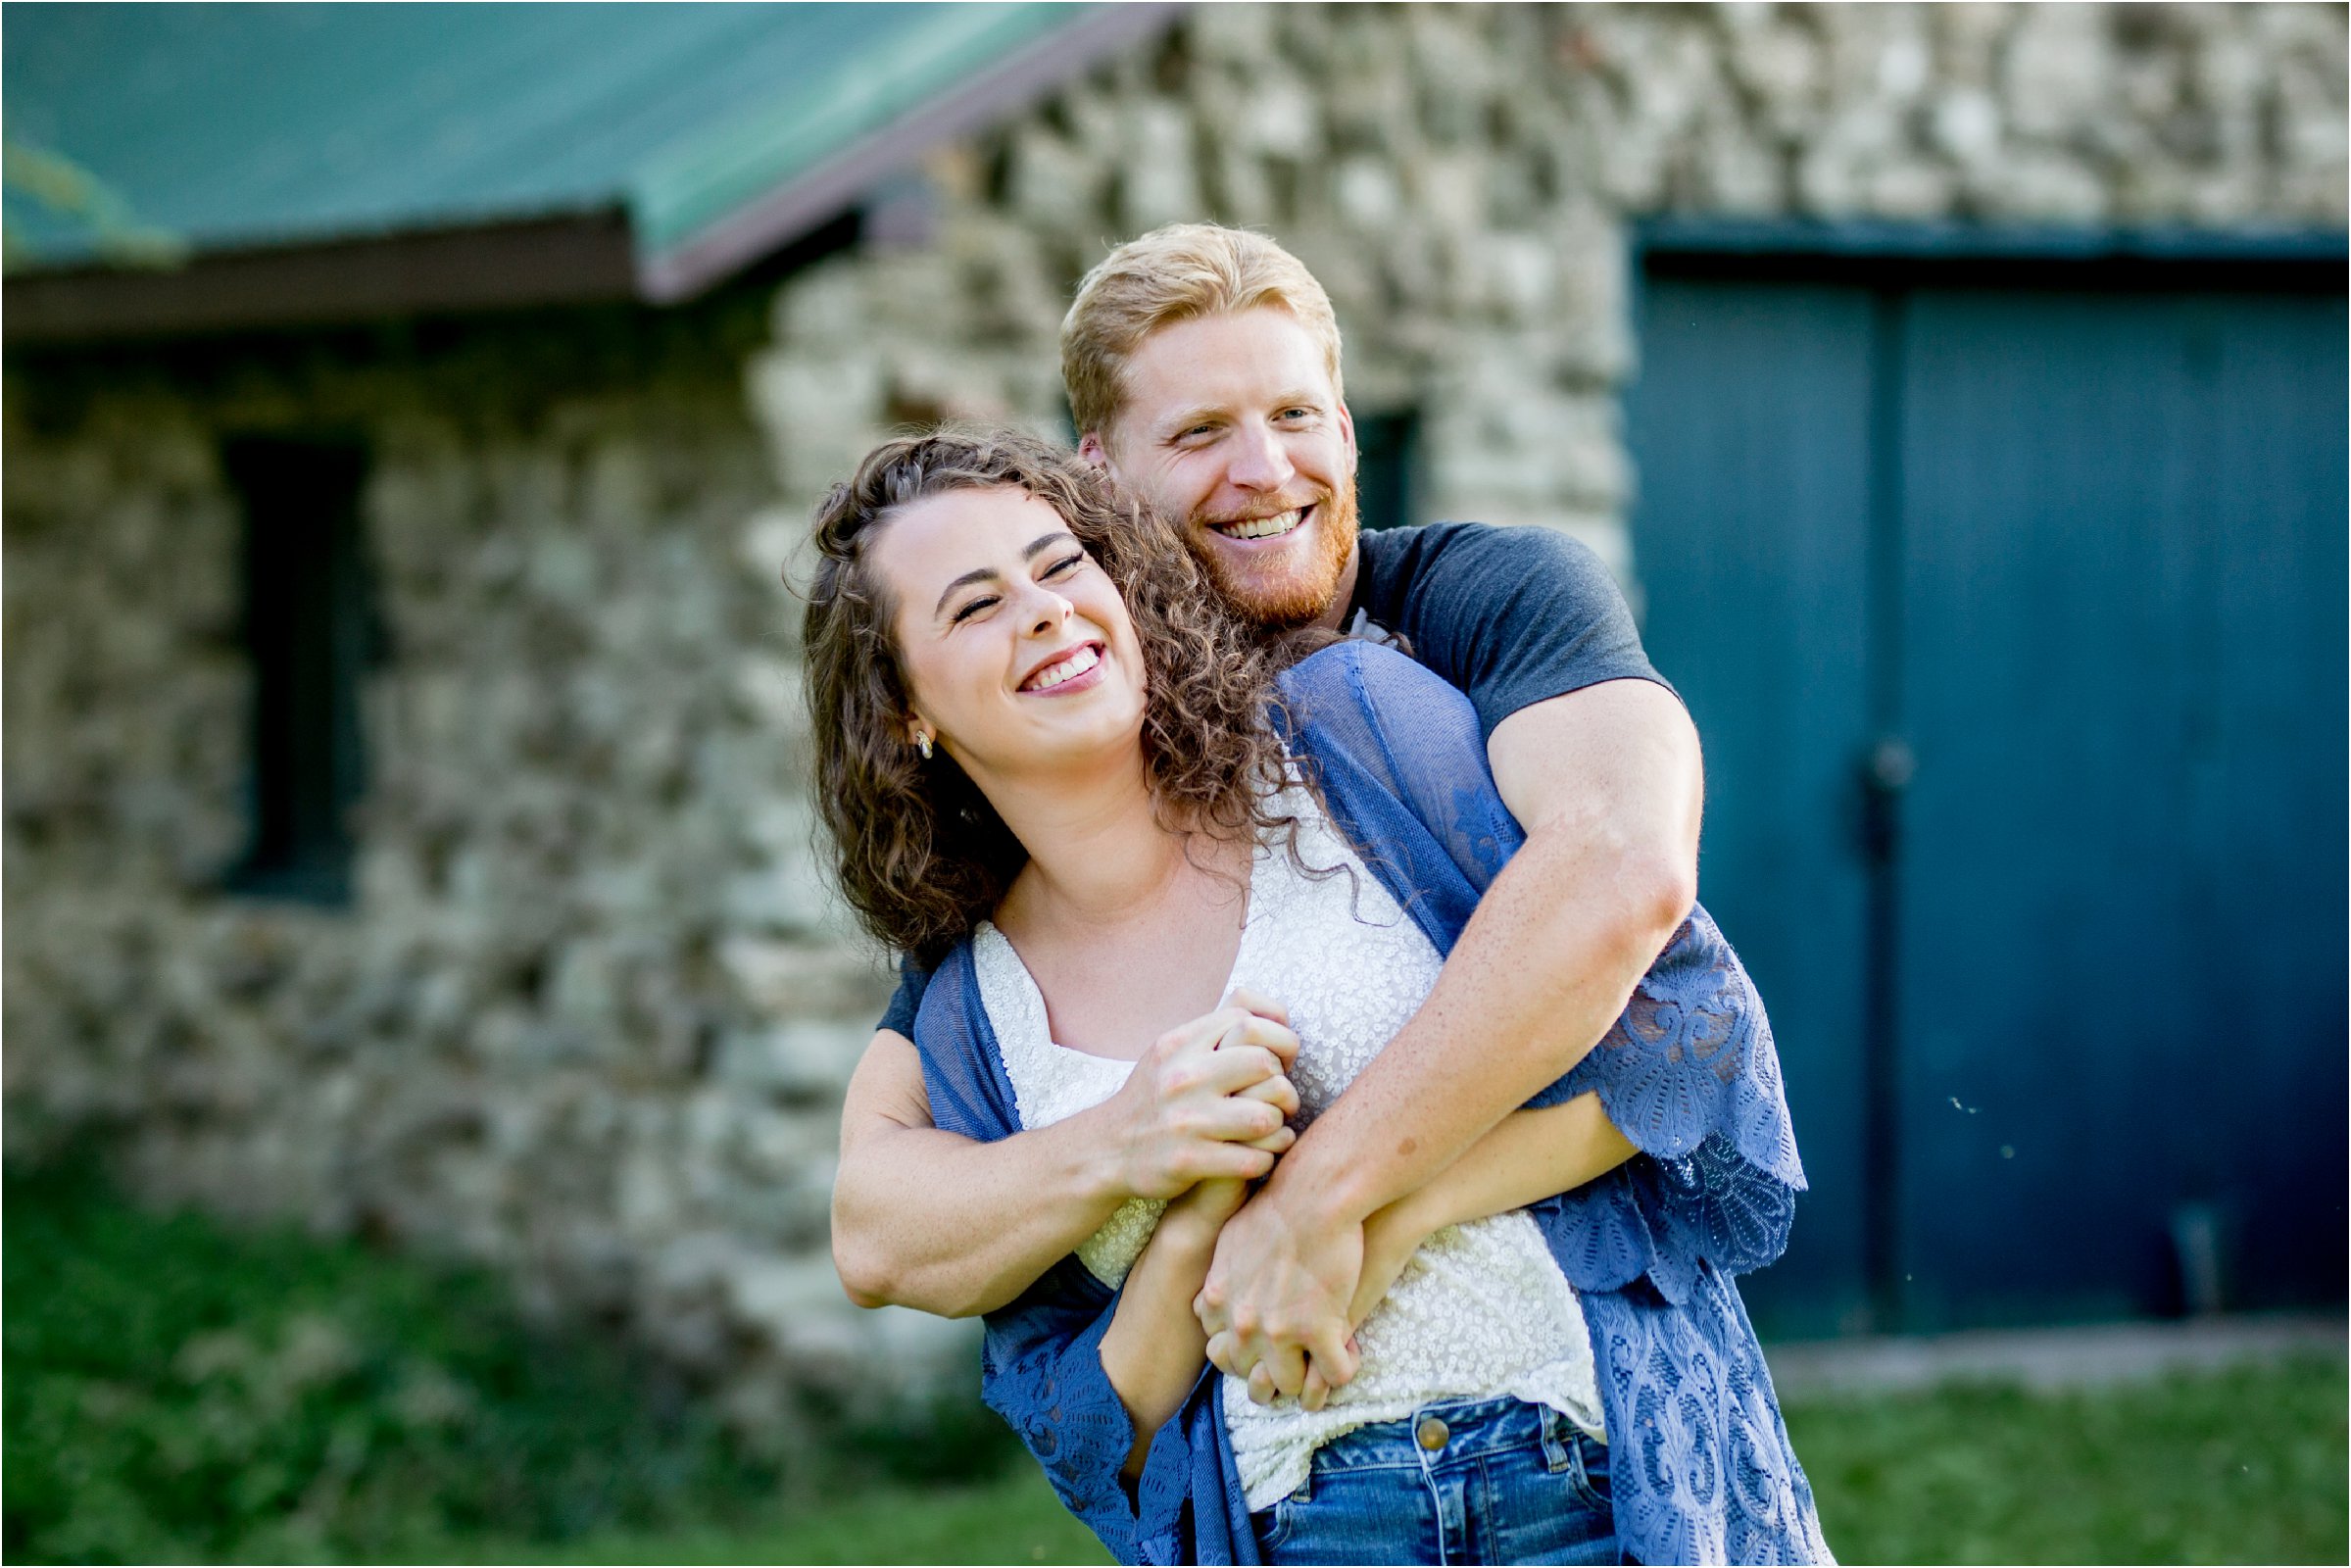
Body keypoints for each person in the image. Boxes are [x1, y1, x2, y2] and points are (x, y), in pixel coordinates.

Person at [804, 426, 1829, 1565]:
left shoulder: (1348, 739)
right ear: (907, 713)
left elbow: (1675, 1041)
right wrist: (1167, 1179)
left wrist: (1356, 1207)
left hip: (1587, 1475)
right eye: (973, 605)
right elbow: (1106, 1438)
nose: (1044, 611)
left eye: (1059, 566)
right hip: (1311, 1530)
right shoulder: (970, 1014)